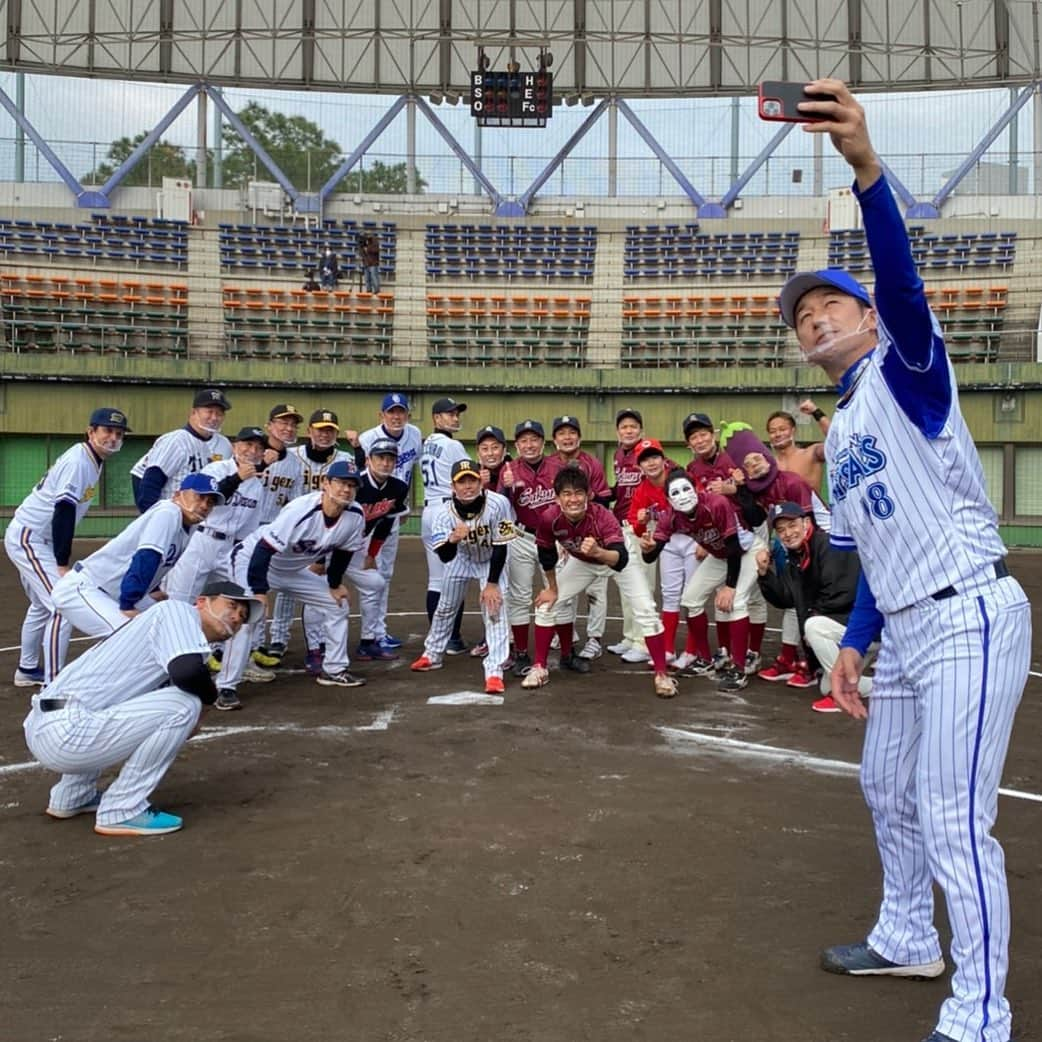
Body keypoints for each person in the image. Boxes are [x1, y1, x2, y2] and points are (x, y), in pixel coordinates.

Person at [778, 79, 1031, 1042]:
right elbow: (877, 554)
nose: (813, 320)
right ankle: (904, 934)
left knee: (957, 820)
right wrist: (854, 646)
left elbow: (904, 282)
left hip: (969, 612)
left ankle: (981, 1013)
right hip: (908, 626)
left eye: (830, 306)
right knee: (885, 785)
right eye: (801, 318)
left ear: (868, 318)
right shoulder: (840, 435)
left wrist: (867, 171)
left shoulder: (910, 367)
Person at [23, 581, 262, 836]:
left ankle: (72, 796)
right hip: (66, 732)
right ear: (202, 602)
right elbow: (188, 673)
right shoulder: (178, 612)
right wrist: (207, 701)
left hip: (52, 724)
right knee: (185, 704)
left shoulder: (172, 636)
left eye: (242, 617)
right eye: (232, 605)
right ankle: (122, 809)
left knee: (122, 704)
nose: (236, 617)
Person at [215, 460, 368, 708]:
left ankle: (334, 669)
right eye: (340, 483)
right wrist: (260, 592)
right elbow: (263, 551)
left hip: (292, 569)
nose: (346, 490)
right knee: (245, 616)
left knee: (337, 604)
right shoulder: (301, 509)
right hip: (252, 561)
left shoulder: (355, 515)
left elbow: (342, 552)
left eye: (352, 485)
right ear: (325, 483)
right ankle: (225, 687)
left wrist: (334, 583)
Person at [45, 474, 224, 680]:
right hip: (86, 589)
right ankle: (65, 685)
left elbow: (158, 562)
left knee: (171, 622)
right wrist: (130, 603)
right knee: (127, 636)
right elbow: (147, 556)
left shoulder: (189, 524)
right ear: (178, 494)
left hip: (111, 592)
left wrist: (153, 592)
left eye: (210, 502)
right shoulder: (168, 513)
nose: (204, 505)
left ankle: (160, 685)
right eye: (199, 497)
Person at [522, 466, 676, 699]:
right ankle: (539, 667)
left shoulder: (602, 516)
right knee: (546, 606)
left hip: (616, 560)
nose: (573, 499)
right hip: (583, 561)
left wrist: (597, 552)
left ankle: (662, 674)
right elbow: (546, 554)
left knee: (646, 610)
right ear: (557, 497)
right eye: (566, 494)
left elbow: (619, 558)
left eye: (578, 493)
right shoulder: (549, 518)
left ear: (589, 495)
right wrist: (552, 589)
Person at [4, 407, 130, 688]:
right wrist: (62, 562)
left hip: (37, 538)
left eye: (118, 433)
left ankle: (27, 669)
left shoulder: (92, 460)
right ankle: (54, 682)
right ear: (91, 432)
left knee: (42, 604)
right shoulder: (79, 461)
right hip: (31, 537)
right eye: (107, 431)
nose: (113, 437)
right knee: (63, 604)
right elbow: (64, 509)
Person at [640, 470, 757, 693]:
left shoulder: (717, 503)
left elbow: (734, 546)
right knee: (691, 600)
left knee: (736, 602)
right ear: (668, 499)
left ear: (696, 488)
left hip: (745, 551)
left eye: (686, 489)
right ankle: (704, 658)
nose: (683, 496)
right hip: (720, 555)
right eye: (675, 492)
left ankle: (739, 669)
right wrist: (647, 549)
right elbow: (653, 555)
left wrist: (730, 587)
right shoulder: (670, 517)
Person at [411, 459, 516, 694]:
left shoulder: (499, 503)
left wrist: (491, 584)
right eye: (462, 482)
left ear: (481, 482)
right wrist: (452, 539)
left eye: (472, 480)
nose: (468, 486)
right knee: (446, 606)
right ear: (453, 486)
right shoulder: (442, 514)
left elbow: (502, 547)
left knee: (495, 608)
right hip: (460, 557)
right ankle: (432, 654)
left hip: (491, 558)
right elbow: (445, 556)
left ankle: (494, 671)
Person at [754, 501, 863, 712]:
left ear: (806, 522)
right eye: (781, 530)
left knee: (813, 626)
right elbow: (785, 599)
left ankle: (843, 693)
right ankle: (879, 686)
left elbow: (843, 593)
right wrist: (764, 573)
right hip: (842, 629)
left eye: (792, 525)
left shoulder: (828, 545)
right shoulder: (796, 556)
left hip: (860, 632)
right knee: (824, 685)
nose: (787, 533)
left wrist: (812, 620)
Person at [267, 409, 354, 671]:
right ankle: (278, 639)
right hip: (295, 529)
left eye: (330, 430)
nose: (325, 434)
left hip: (330, 529)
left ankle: (319, 645)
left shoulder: (345, 460)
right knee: (285, 589)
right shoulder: (293, 458)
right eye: (320, 429)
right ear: (310, 432)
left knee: (321, 587)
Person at [352, 392, 423, 653]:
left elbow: (413, 469)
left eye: (400, 412)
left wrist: (403, 505)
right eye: (391, 412)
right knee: (371, 575)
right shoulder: (368, 439)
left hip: (390, 512)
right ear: (381, 415)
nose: (396, 416)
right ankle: (369, 636)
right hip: (367, 519)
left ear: (407, 415)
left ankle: (378, 631)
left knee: (385, 575)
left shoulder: (414, 434)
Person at [164, 426, 268, 604]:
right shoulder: (216, 469)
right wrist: (237, 478)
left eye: (259, 448)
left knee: (237, 602)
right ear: (235, 447)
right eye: (248, 444)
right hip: (201, 540)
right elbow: (207, 498)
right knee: (181, 600)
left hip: (230, 548)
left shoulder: (257, 486)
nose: (253, 451)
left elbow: (250, 528)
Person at [549, 415, 613, 662]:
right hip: (561, 534)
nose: (567, 437)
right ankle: (566, 631)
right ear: (554, 440)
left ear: (579, 437)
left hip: (591, 533)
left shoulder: (591, 463)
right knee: (563, 584)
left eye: (571, 432)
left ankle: (594, 638)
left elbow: (604, 499)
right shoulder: (549, 464)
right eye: (562, 433)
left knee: (595, 587)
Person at [627, 438, 693, 666]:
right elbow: (635, 525)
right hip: (668, 541)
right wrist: (642, 522)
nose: (651, 463)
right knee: (670, 594)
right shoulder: (643, 490)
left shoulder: (680, 478)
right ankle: (667, 649)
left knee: (693, 595)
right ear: (639, 466)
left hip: (693, 538)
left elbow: (704, 504)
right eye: (645, 460)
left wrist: (705, 542)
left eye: (655, 456)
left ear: (663, 458)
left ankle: (693, 650)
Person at [351, 438, 410, 663]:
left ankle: (368, 642)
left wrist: (372, 554)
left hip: (360, 543)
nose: (385, 463)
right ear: (368, 460)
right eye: (380, 457)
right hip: (332, 542)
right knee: (326, 590)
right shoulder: (355, 483)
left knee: (373, 585)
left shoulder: (398, 487)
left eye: (390, 459)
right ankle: (318, 647)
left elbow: (385, 521)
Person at [420, 397, 471, 652]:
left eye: (456, 413)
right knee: (455, 578)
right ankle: (451, 637)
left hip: (429, 511)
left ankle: (439, 637)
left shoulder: (427, 443)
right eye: (449, 414)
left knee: (436, 580)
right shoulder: (453, 446)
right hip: (447, 511)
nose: (455, 417)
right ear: (436, 418)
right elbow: (467, 477)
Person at [130, 388, 232, 512]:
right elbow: (148, 482)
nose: (214, 417)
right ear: (193, 413)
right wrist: (152, 516)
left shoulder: (225, 444)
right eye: (209, 412)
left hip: (201, 520)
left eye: (219, 413)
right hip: (172, 514)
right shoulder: (175, 441)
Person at [607, 408, 656, 661]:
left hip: (643, 528)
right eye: (624, 427)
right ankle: (630, 636)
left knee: (643, 586)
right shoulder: (618, 454)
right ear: (618, 432)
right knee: (627, 586)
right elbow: (622, 488)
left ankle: (645, 642)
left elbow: (666, 477)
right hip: (622, 525)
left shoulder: (648, 454)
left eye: (633, 426)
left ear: (641, 430)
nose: (628, 430)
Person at [765, 403, 831, 496]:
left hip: (810, 509)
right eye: (772, 431)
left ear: (793, 430)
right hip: (780, 509)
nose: (778, 434)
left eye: (783, 429)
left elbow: (835, 441)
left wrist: (816, 412)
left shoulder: (811, 454)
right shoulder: (768, 465)